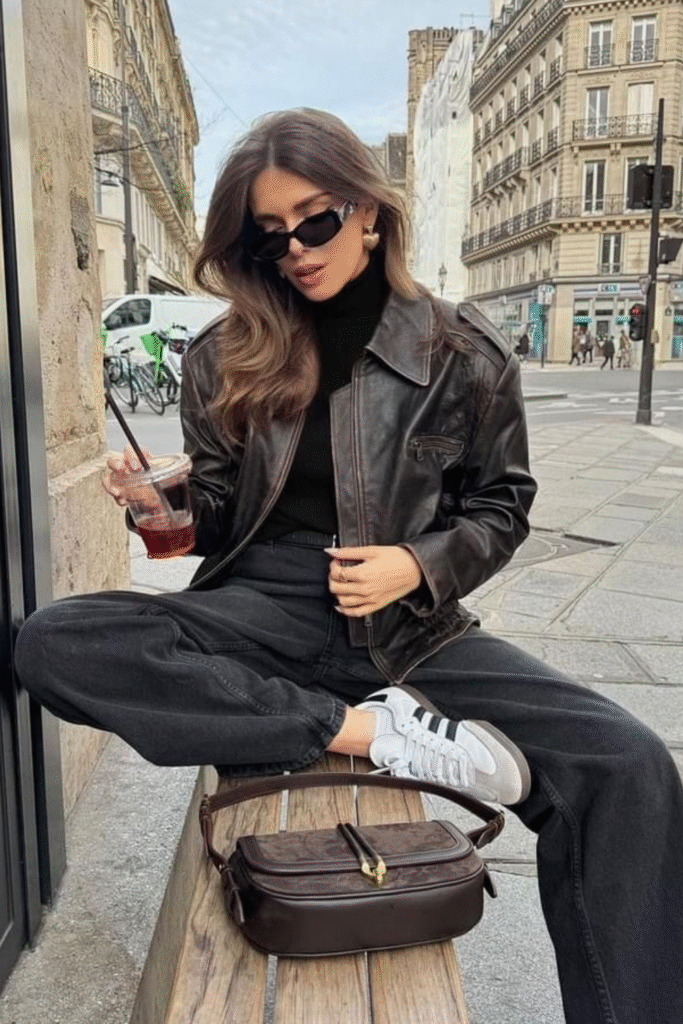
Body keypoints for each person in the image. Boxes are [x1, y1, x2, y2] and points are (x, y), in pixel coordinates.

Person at [13, 109, 683, 1024]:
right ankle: (374, 734)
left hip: (412, 629)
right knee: (56, 640)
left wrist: (416, 563)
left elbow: (501, 506)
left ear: (368, 211)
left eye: (315, 220)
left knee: (630, 767)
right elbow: (218, 516)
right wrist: (161, 506)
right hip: (262, 612)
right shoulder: (224, 354)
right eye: (269, 234)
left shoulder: (462, 352)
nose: (295, 250)